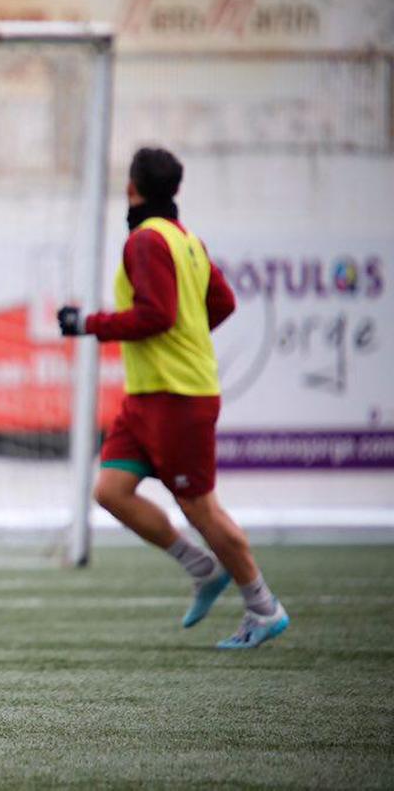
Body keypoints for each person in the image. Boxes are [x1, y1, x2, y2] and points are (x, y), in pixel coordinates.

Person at [57, 146, 289, 649]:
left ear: (132, 187)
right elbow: (221, 302)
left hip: (179, 396)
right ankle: (202, 568)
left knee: (201, 509)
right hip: (148, 397)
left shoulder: (144, 241)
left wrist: (87, 323)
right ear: (175, 191)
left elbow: (156, 315)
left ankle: (263, 606)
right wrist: (188, 334)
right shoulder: (186, 240)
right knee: (110, 492)